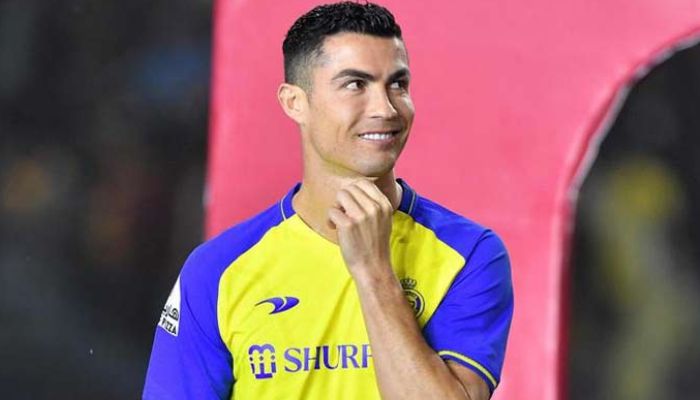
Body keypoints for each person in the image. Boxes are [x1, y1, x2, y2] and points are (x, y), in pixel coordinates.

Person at [143, 2, 513, 399]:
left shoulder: (470, 254)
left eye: (398, 84)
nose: (385, 108)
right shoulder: (216, 270)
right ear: (294, 102)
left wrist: (373, 271)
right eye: (355, 84)